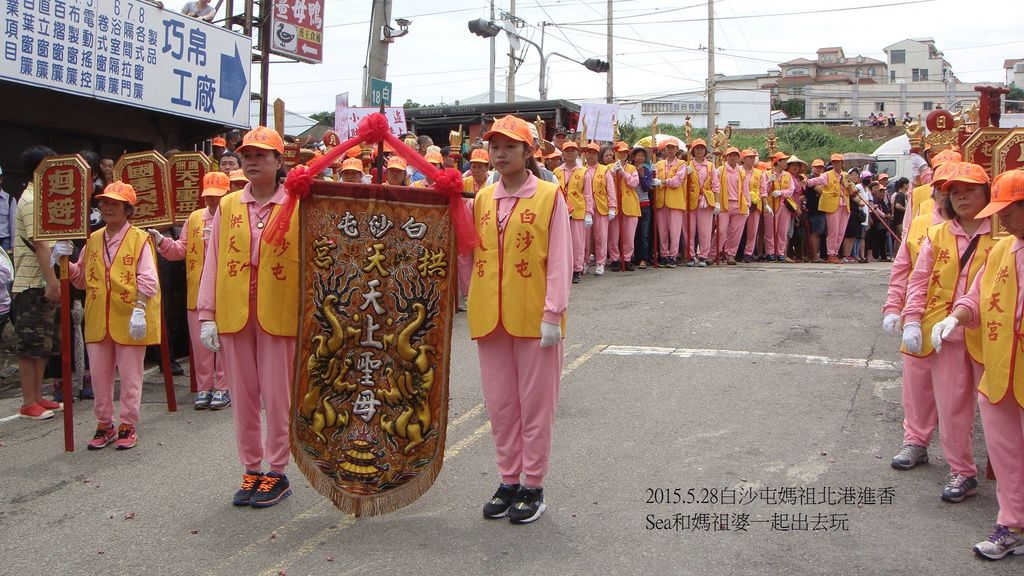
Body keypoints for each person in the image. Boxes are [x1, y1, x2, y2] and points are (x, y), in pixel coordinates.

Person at [468, 115, 571, 524]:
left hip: (534, 317)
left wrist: (553, 313)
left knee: (535, 406)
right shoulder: (481, 198)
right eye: (495, 145)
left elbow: (562, 258)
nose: (500, 152)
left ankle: (534, 485)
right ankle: (508, 479)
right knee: (501, 405)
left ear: (529, 152)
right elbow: (471, 255)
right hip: (490, 318)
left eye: (510, 146)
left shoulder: (548, 195)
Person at [197, 126, 299, 508]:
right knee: (242, 396)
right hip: (235, 312)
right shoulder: (226, 207)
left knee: (277, 394)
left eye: (261, 155)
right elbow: (214, 261)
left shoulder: (297, 203)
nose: (253, 161)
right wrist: (208, 313)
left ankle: (277, 470)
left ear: (278, 160)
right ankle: (251, 468)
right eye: (247, 155)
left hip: (279, 313)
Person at [934, 169, 1024, 559]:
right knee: (1005, 453)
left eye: (1008, 210)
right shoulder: (1002, 250)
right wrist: (955, 316)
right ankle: (1012, 523)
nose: (1000, 218)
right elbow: (975, 298)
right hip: (1000, 370)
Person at [901, 162, 993, 503]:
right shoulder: (937, 234)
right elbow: (919, 279)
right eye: (955, 192)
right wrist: (911, 318)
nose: (962, 197)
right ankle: (962, 471)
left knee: (1000, 408)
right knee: (952, 406)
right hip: (947, 335)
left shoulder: (1001, 232)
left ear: (987, 192)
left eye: (970, 190)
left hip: (991, 336)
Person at [55, 182, 161, 450]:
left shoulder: (140, 239)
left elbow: (148, 279)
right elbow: (80, 279)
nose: (108, 207)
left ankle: (128, 423)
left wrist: (139, 309)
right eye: (104, 203)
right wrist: (62, 261)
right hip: (98, 317)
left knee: (130, 375)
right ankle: (104, 423)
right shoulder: (93, 238)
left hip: (129, 316)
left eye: (115, 203)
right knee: (100, 375)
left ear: (128, 209)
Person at [881, 162, 953, 471]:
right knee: (916, 385)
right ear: (934, 191)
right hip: (919, 315)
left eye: (960, 189)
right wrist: (893, 307)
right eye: (945, 188)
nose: (950, 195)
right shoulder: (922, 222)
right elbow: (902, 269)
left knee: (955, 396)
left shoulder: (985, 226)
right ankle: (916, 441)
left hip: (960, 322)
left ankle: (959, 463)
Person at [151, 173, 229, 410]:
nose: (213, 202)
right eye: (209, 197)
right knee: (201, 344)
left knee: (223, 344)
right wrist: (162, 242)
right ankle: (205, 387)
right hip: (197, 293)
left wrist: (220, 239)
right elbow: (180, 250)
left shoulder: (234, 217)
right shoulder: (195, 218)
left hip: (226, 292)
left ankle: (223, 387)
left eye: (218, 197)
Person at [12, 145, 63, 420]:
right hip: (32, 283)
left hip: (43, 281)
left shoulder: (45, 198)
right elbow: (41, 244)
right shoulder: (31, 199)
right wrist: (52, 282)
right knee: (29, 345)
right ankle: (28, 401)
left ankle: (39, 396)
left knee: (43, 345)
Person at [553, 141, 590, 283]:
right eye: (567, 150)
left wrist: (588, 213)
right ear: (562, 153)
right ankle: (564, 269)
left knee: (577, 243)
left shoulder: (584, 172)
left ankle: (577, 269)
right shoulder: (556, 172)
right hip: (561, 211)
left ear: (577, 153)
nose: (569, 153)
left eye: (572, 150)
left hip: (578, 211)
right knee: (561, 242)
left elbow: (587, 195)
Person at [581, 142, 616, 276]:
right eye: (589, 152)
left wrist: (612, 207)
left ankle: (600, 262)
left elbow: (610, 190)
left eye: (594, 153)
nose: (591, 155)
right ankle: (584, 261)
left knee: (601, 237)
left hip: (601, 207)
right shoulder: (581, 169)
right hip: (585, 208)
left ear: (598, 155)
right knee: (585, 238)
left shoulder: (604, 170)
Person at [652, 139, 686, 267]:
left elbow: (677, 181)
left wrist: (662, 182)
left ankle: (673, 255)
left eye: (673, 148)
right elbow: (653, 178)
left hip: (675, 201)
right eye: (668, 148)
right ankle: (664, 255)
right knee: (662, 230)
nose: (671, 150)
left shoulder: (681, 164)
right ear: (664, 150)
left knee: (675, 231)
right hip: (661, 201)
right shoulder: (659, 164)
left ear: (677, 150)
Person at [684, 139, 719, 267]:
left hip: (706, 200)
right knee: (689, 230)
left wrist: (717, 202)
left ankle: (704, 255)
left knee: (705, 230)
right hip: (690, 200)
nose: (699, 151)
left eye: (702, 148)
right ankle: (691, 255)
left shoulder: (710, 166)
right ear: (693, 151)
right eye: (697, 148)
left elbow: (716, 185)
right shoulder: (688, 165)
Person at [608, 146, 640, 272]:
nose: (622, 154)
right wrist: (612, 171)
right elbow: (603, 182)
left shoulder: (632, 168)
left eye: (625, 152)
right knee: (613, 235)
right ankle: (615, 259)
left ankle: (627, 258)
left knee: (629, 235)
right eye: (620, 152)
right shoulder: (607, 168)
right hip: (614, 204)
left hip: (629, 204)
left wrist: (623, 173)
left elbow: (634, 183)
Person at [715, 148, 746, 265]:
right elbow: (715, 186)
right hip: (724, 203)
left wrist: (747, 204)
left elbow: (745, 189)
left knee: (736, 232)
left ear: (738, 158)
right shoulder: (720, 170)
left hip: (738, 204)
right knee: (721, 231)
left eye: (735, 155)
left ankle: (730, 254)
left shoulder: (741, 172)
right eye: (730, 155)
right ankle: (713, 253)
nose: (732, 157)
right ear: (726, 157)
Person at [763, 152, 794, 263]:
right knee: (770, 230)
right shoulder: (767, 174)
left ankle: (780, 252)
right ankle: (769, 252)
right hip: (771, 204)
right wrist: (769, 183)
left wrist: (781, 192)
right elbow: (763, 190)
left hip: (784, 204)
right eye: (784, 161)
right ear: (778, 162)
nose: (786, 163)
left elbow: (791, 190)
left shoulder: (787, 175)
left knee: (782, 230)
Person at [740, 151, 769, 263]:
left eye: (753, 158)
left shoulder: (759, 173)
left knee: (753, 230)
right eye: (749, 158)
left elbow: (763, 190)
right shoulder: (738, 170)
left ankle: (748, 253)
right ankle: (735, 252)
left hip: (755, 204)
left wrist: (766, 204)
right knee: (737, 230)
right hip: (740, 203)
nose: (752, 160)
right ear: (743, 159)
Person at [866, 181, 891, 261]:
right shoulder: (872, 198)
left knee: (878, 239)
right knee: (871, 239)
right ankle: (871, 255)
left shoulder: (881, 201)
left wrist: (886, 215)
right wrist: (884, 215)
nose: (881, 193)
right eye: (876, 188)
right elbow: (873, 208)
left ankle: (876, 256)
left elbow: (885, 209)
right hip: (872, 220)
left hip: (878, 221)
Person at [0, 165, 15, 252]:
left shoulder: (10, 200)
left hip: (4, 241)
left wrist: (13, 245)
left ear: (1, 179)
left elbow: (13, 224)